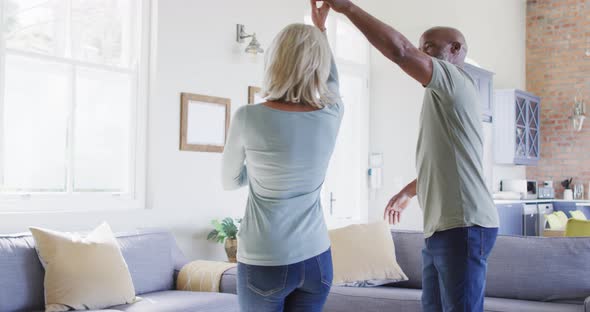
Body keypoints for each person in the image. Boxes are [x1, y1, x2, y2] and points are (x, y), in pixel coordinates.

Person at [318, 1, 500, 311]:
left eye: (428, 47)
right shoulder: (440, 96)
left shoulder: (454, 80)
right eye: (420, 48)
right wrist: (408, 191)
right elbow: (449, 161)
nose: (420, 53)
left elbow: (400, 51)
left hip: (464, 226)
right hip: (443, 229)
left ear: (455, 49)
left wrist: (347, 9)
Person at [221, 2, 342, 311]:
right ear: (320, 64)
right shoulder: (331, 114)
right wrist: (321, 31)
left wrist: (261, 170)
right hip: (317, 258)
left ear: (274, 61)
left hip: (265, 259)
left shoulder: (248, 117)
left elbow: (229, 181)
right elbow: (333, 82)